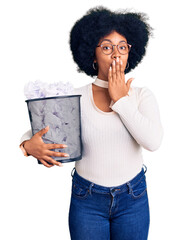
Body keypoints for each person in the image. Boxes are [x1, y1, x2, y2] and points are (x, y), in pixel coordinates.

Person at [19, 6, 164, 240]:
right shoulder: (76, 97)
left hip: (133, 200)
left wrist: (120, 100)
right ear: (92, 55)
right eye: (107, 47)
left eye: (122, 47)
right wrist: (26, 147)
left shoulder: (141, 96)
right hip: (87, 201)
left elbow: (153, 141)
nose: (116, 54)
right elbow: (35, 132)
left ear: (130, 53)